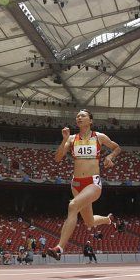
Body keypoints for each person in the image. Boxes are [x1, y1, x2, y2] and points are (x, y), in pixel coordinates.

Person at [47, 109, 124, 261]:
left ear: (90, 120)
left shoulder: (99, 137)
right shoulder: (71, 138)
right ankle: (109, 220)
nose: (79, 117)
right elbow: (57, 158)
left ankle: (59, 248)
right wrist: (64, 139)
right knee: (89, 221)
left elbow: (117, 147)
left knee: (73, 206)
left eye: (83, 115)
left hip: (92, 183)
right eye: (77, 116)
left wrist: (110, 156)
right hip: (76, 184)